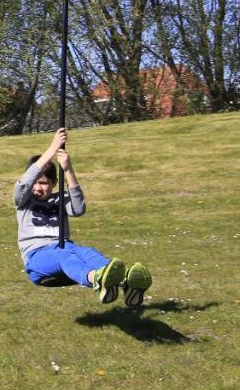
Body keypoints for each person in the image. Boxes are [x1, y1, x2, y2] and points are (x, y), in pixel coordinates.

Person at [13, 128, 152, 306]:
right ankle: (97, 279)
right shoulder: (23, 201)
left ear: (54, 183)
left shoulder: (60, 198)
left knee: (88, 253)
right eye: (35, 183)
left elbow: (78, 209)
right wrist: (53, 147)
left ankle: (127, 283)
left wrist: (68, 169)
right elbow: (24, 183)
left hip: (65, 248)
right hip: (37, 258)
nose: (37, 188)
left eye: (43, 183)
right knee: (65, 256)